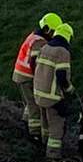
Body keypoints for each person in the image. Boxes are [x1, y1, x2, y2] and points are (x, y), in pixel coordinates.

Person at [12, 12, 63, 144]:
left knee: (29, 103)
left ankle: (25, 124)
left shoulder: (33, 36)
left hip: (21, 75)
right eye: (53, 31)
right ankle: (34, 135)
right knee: (34, 106)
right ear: (47, 29)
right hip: (27, 77)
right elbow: (35, 63)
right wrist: (41, 79)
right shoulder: (40, 42)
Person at [32, 21, 75, 162]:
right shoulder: (63, 52)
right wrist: (69, 90)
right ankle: (53, 156)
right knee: (56, 126)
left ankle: (42, 146)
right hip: (52, 97)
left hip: (39, 94)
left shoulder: (44, 47)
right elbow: (62, 76)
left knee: (45, 123)